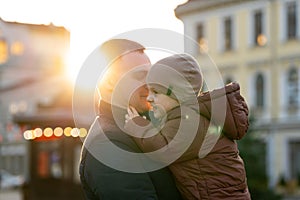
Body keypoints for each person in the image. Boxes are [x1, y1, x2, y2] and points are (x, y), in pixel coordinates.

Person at [124, 53, 251, 199]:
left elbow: (163, 149)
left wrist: (136, 124)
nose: (149, 98)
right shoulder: (188, 117)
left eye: (156, 92)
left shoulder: (189, 122)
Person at [79, 39, 183, 200]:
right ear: (108, 83)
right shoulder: (107, 144)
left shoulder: (145, 128)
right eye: (140, 75)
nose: (150, 83)